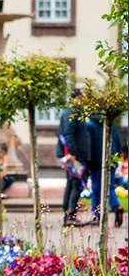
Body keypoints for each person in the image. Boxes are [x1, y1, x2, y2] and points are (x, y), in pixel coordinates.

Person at [57, 89, 90, 226]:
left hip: (75, 154)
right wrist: (72, 153)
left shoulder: (74, 112)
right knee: (76, 184)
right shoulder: (71, 113)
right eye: (82, 97)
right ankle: (70, 215)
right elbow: (68, 134)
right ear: (76, 98)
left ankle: (69, 214)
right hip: (74, 156)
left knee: (72, 183)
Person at [86, 115, 123, 228]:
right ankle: (116, 206)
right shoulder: (110, 123)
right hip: (111, 160)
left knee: (97, 188)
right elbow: (118, 142)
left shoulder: (90, 125)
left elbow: (89, 144)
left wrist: (88, 161)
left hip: (96, 161)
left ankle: (97, 215)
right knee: (110, 186)